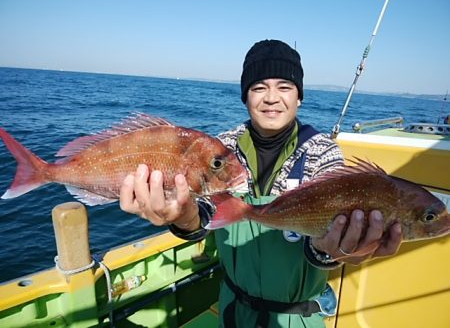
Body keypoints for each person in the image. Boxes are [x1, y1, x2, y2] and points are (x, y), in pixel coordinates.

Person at [119, 39, 402, 328]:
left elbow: (323, 245)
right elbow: (202, 217)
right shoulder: (221, 148)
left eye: (284, 87)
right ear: (245, 97)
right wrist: (181, 216)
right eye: (258, 87)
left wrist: (336, 248)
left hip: (296, 316)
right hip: (233, 308)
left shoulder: (322, 152)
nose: (271, 97)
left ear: (299, 97)